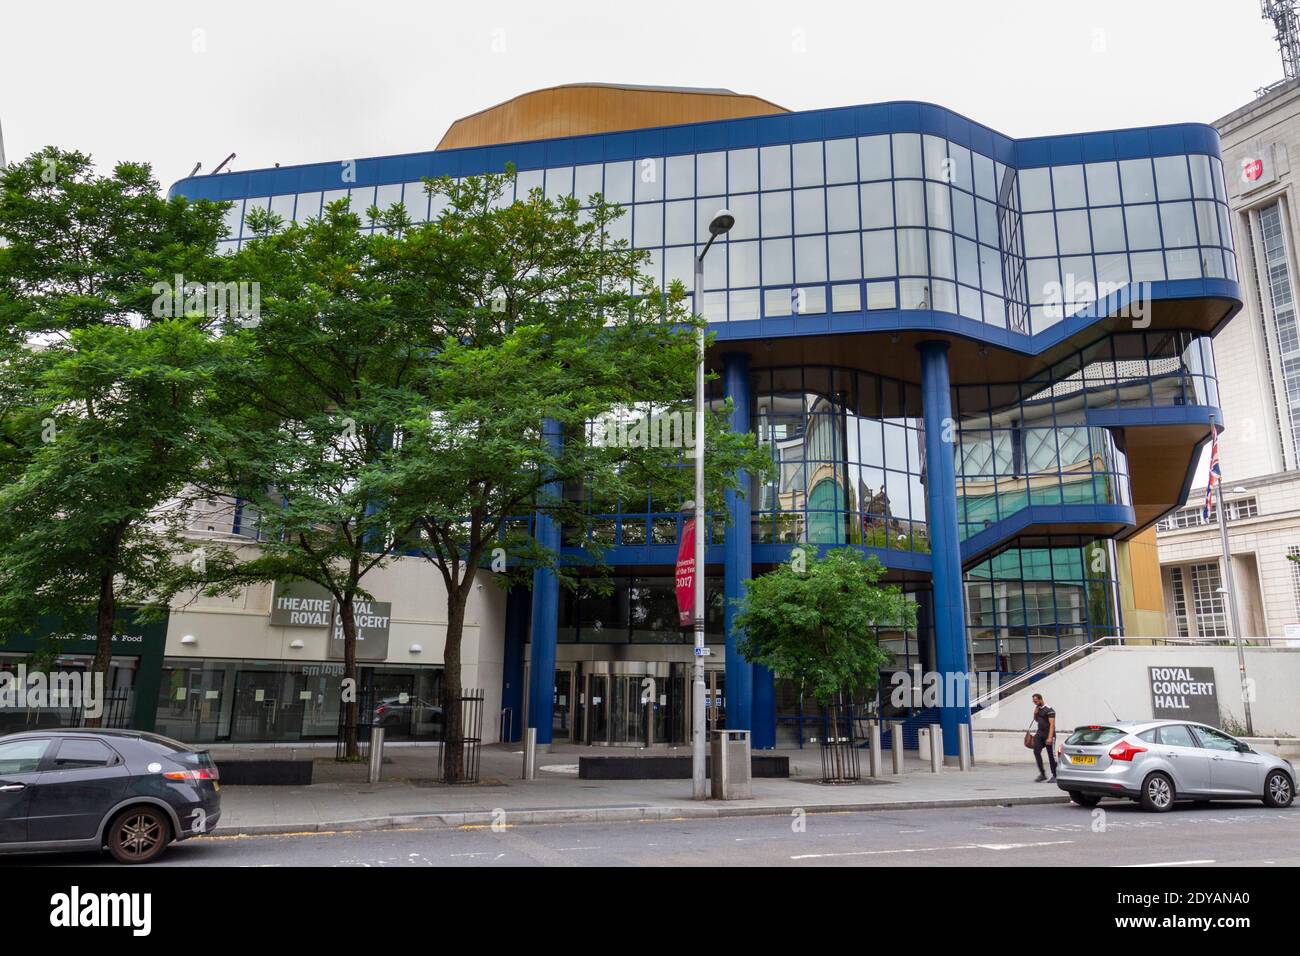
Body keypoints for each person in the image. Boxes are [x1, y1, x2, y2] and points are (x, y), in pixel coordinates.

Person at [1030, 693, 1056, 782]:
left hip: (1049, 735)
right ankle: (1042, 774)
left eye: (1036, 701)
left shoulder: (1049, 710)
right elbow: (1037, 720)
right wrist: (1035, 714)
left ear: (1040, 699)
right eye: (1033, 701)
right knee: (1036, 751)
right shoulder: (1038, 709)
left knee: (1051, 755)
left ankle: (1055, 775)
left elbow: (1052, 725)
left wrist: (1049, 738)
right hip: (1039, 734)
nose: (1034, 703)